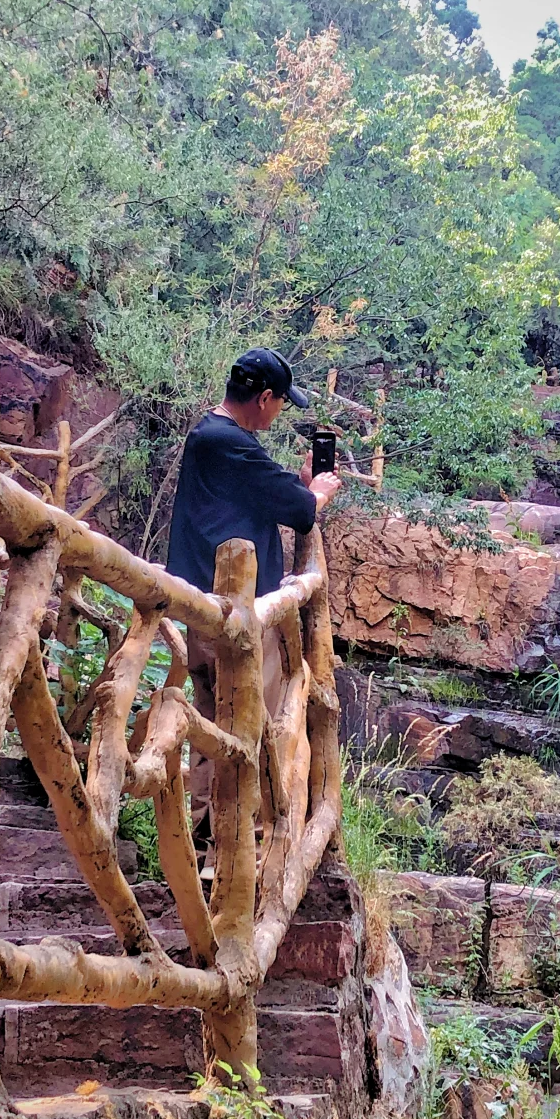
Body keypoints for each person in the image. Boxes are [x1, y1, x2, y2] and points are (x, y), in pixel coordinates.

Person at [166, 346, 341, 849]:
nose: (280, 410)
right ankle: (253, 842)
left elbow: (271, 492)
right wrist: (319, 492)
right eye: (281, 401)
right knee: (254, 720)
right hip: (232, 616)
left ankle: (207, 836)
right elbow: (299, 510)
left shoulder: (213, 437)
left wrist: (302, 488)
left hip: (205, 607)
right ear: (264, 398)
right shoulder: (229, 444)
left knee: (210, 720)